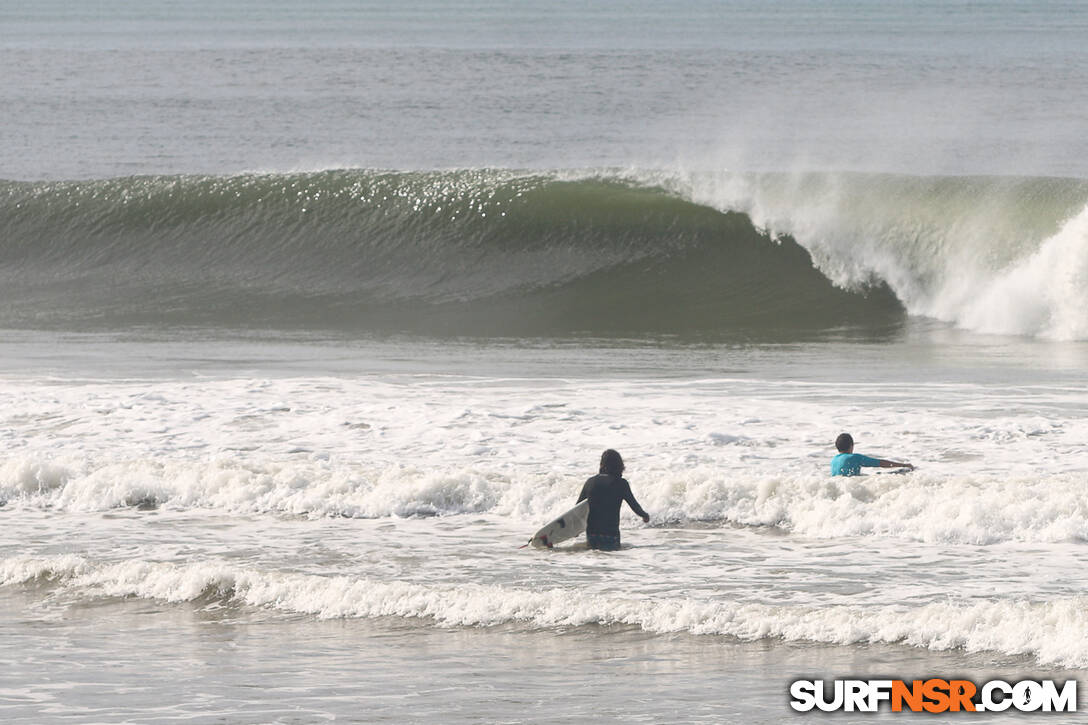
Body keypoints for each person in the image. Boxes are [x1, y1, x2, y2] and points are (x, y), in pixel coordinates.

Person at [577, 449, 650, 550]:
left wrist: (574, 530)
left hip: (592, 535)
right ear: (619, 465)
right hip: (611, 536)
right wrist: (645, 516)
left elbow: (577, 510)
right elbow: (634, 506)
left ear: (601, 464)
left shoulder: (590, 482)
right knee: (611, 559)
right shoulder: (621, 483)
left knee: (593, 557)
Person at [831, 432, 914, 476]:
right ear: (851, 446)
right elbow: (880, 463)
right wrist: (903, 465)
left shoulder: (833, 460)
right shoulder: (853, 457)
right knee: (896, 473)